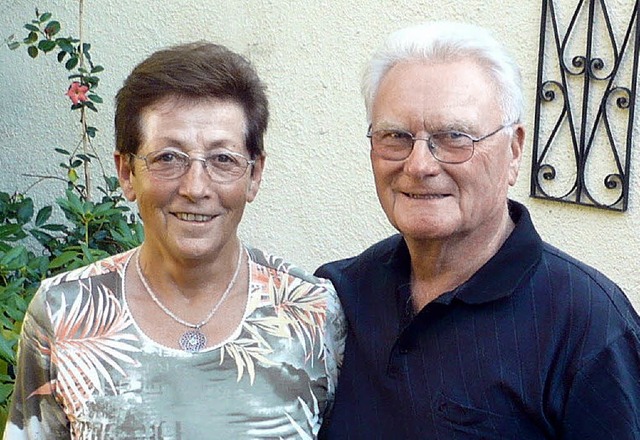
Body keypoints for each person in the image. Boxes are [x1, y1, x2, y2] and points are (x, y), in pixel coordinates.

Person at [4, 42, 345, 439]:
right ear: (127, 173)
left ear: (254, 175)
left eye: (223, 159)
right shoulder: (64, 312)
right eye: (168, 157)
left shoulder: (313, 313)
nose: (195, 188)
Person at [316, 22, 640, 439]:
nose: (418, 166)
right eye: (395, 137)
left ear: (514, 151)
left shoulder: (590, 330)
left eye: (453, 137)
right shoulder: (340, 296)